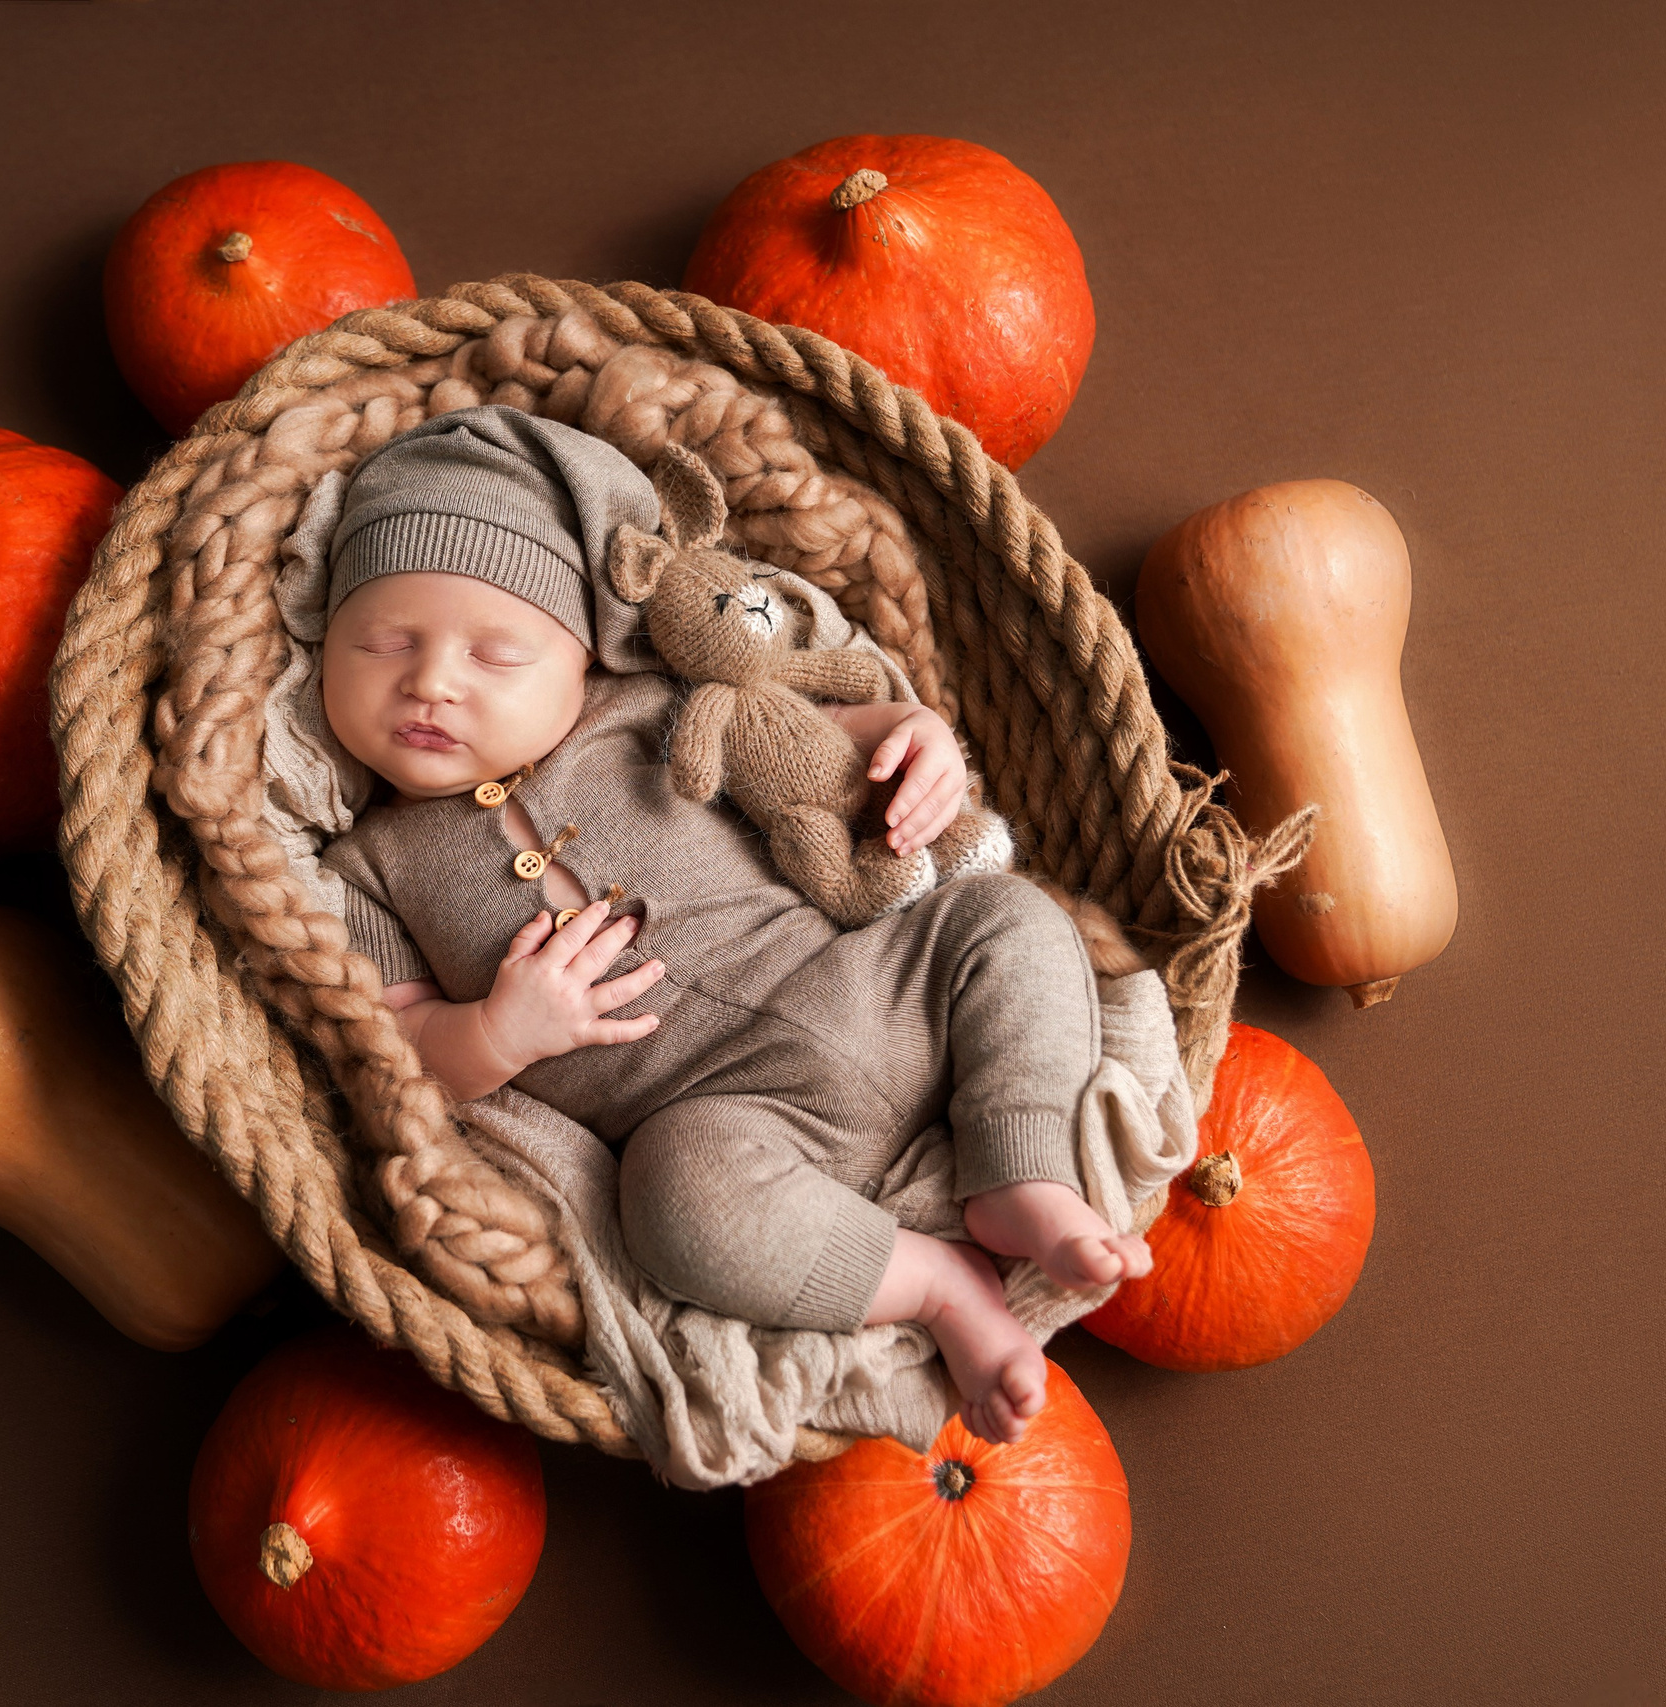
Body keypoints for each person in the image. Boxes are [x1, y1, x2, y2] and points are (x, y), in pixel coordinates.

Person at [312, 405, 1164, 1443]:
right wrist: (494, 1033)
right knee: (673, 1211)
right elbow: (396, 1049)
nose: (431, 681)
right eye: (383, 642)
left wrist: (915, 737)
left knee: (1008, 920)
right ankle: (938, 1286)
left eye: (495, 655)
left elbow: (813, 738)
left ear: (584, 659)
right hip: (718, 1116)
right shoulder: (365, 869)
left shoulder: (641, 706)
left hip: (867, 982)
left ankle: (1020, 1170)